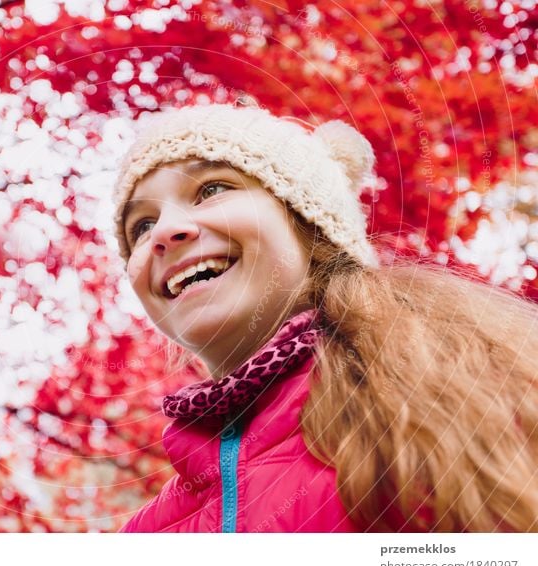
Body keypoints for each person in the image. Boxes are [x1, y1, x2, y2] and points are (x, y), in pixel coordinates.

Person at [110, 100, 538, 533]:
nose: (163, 231)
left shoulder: (477, 391)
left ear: (311, 227)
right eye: (141, 226)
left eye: (213, 189)